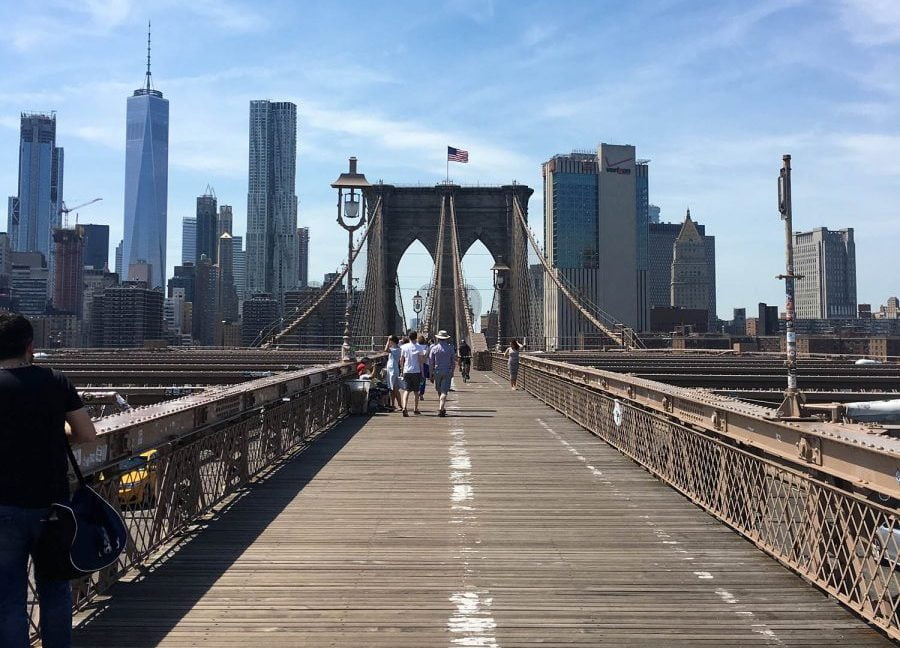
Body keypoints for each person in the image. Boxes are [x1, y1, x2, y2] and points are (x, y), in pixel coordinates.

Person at [0, 313, 97, 647]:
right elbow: (86, 434)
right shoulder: (55, 380)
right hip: (53, 505)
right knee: (55, 588)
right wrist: (55, 431)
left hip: (3, 506)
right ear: (31, 346)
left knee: (7, 596)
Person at [429, 330, 456, 417]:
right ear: (446, 339)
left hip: (437, 371)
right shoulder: (450, 348)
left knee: (439, 390)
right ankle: (442, 408)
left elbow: (431, 362)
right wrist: (452, 372)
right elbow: (453, 362)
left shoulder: (434, 348)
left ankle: (441, 408)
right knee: (444, 391)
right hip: (447, 371)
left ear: (438, 339)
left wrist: (430, 374)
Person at [398, 330, 425, 416]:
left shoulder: (404, 347)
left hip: (406, 371)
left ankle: (404, 407)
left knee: (407, 390)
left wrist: (402, 371)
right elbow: (421, 362)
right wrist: (423, 373)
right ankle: (415, 409)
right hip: (416, 371)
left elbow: (401, 360)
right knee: (416, 391)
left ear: (408, 337)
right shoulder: (419, 347)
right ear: (416, 337)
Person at [384, 335, 402, 411]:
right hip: (390, 369)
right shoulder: (394, 349)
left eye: (390, 340)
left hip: (393, 370)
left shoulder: (396, 349)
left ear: (392, 341)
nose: (389, 342)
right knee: (391, 388)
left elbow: (385, 350)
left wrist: (388, 341)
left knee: (395, 388)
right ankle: (392, 404)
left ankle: (400, 405)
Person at [417, 334, 430, 400]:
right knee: (423, 379)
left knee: (416, 379)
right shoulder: (427, 347)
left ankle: (416, 392)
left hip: (417, 364)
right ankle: (421, 394)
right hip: (425, 364)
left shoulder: (416, 346)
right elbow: (427, 356)